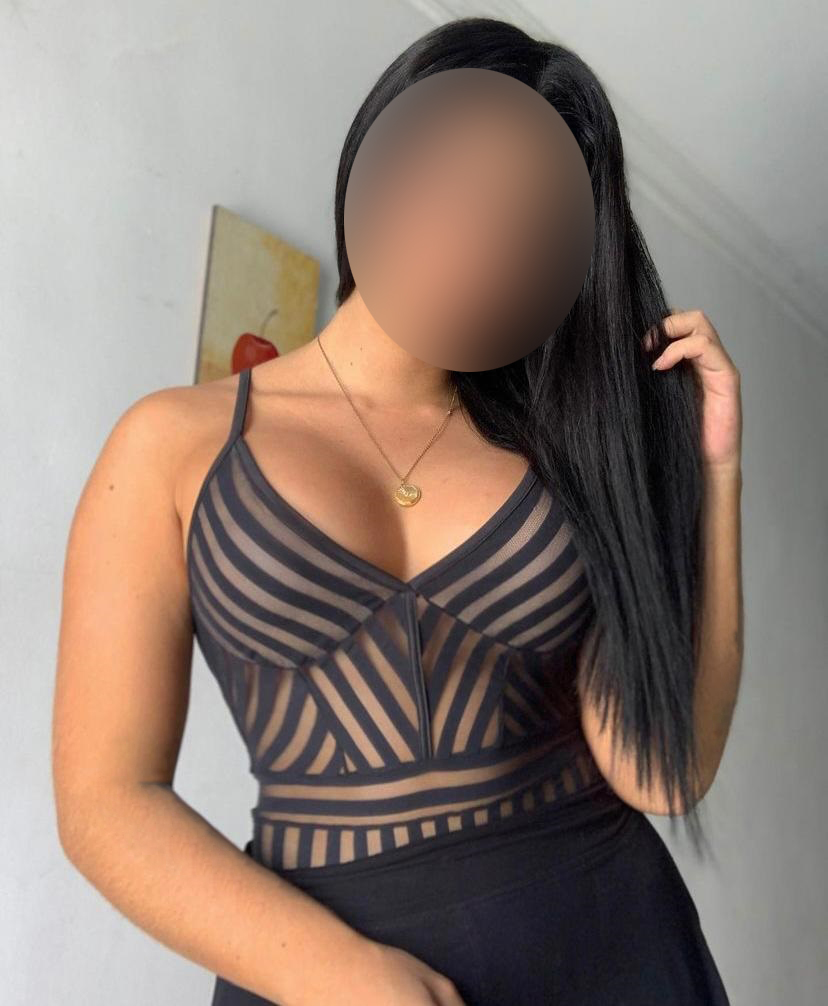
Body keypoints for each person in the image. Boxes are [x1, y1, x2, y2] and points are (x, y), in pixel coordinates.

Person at [53, 15, 741, 1006]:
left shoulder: (561, 453)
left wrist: (716, 470)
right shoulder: (171, 443)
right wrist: (334, 973)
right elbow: (105, 801)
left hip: (610, 941)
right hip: (314, 972)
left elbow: (661, 773)